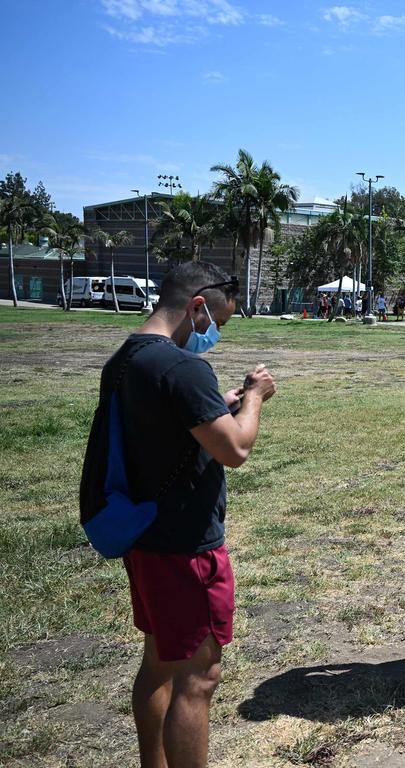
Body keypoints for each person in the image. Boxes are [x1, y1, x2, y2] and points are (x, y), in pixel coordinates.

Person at [84, 262, 276, 768]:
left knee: (159, 664)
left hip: (144, 537)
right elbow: (234, 448)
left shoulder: (126, 358)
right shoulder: (183, 368)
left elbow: (164, 426)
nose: (212, 336)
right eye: (217, 323)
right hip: (187, 546)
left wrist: (220, 402)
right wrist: (253, 398)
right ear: (196, 307)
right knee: (198, 678)